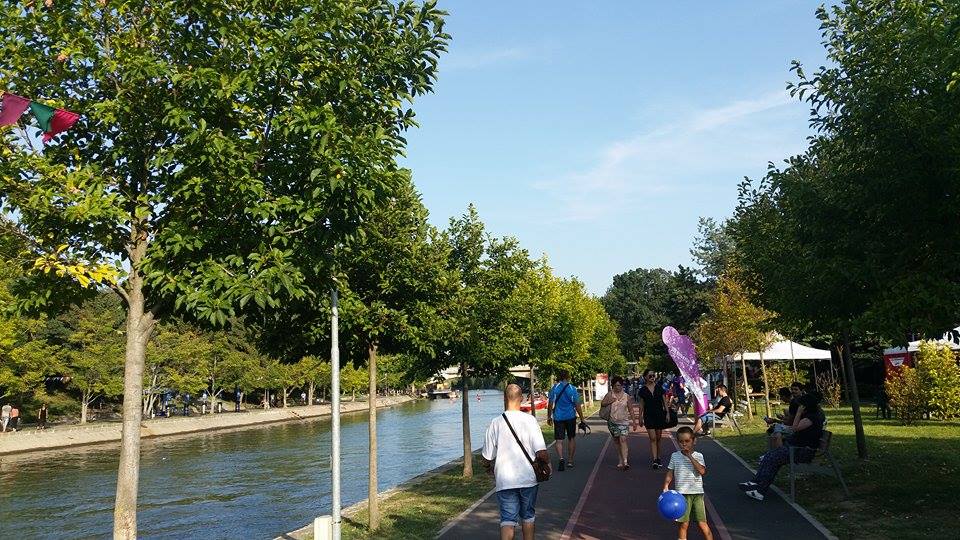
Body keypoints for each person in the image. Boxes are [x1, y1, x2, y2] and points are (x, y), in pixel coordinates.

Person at [482, 384, 550, 540]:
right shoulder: (530, 421)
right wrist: (547, 465)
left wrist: (488, 468)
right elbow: (542, 453)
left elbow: (487, 456)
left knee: (507, 520)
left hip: (505, 479)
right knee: (528, 516)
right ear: (521, 398)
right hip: (528, 478)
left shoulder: (495, 423)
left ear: (504, 398)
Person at [739, 392, 826, 501]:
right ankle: (755, 483)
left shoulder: (811, 418)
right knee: (770, 455)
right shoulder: (810, 416)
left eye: (801, 405)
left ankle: (760, 489)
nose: (799, 407)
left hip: (802, 452)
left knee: (773, 457)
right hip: (796, 449)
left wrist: (798, 413)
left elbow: (794, 428)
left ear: (805, 406)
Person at [664, 426, 714, 540]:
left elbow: (702, 471)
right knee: (683, 524)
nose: (684, 444)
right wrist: (666, 486)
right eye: (681, 442)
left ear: (694, 441)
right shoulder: (675, 456)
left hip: (697, 494)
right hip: (681, 495)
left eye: (687, 441)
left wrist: (689, 456)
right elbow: (670, 472)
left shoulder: (698, 456)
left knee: (702, 523)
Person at [547, 370, 586, 471]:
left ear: (558, 377)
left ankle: (561, 458)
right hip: (570, 417)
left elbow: (550, 404)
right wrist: (582, 418)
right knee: (571, 438)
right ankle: (570, 461)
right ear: (568, 377)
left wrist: (549, 416)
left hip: (558, 417)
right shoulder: (572, 388)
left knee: (558, 440)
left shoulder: (555, 388)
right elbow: (577, 405)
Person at [601, 375, 636, 470]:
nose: (618, 387)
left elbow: (631, 410)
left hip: (623, 422)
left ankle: (625, 461)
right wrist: (610, 401)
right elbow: (603, 403)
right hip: (612, 422)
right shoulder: (610, 394)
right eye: (616, 385)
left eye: (619, 385)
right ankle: (620, 458)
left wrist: (634, 422)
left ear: (622, 386)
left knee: (623, 439)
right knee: (617, 441)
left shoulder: (626, 396)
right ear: (613, 386)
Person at [637, 369, 669, 468]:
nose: (652, 377)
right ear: (645, 377)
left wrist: (667, 413)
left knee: (658, 438)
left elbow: (664, 402)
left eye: (653, 375)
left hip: (659, 415)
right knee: (653, 438)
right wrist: (640, 417)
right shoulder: (642, 390)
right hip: (648, 416)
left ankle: (658, 457)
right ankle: (655, 460)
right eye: (650, 376)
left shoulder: (659, 388)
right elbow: (641, 404)